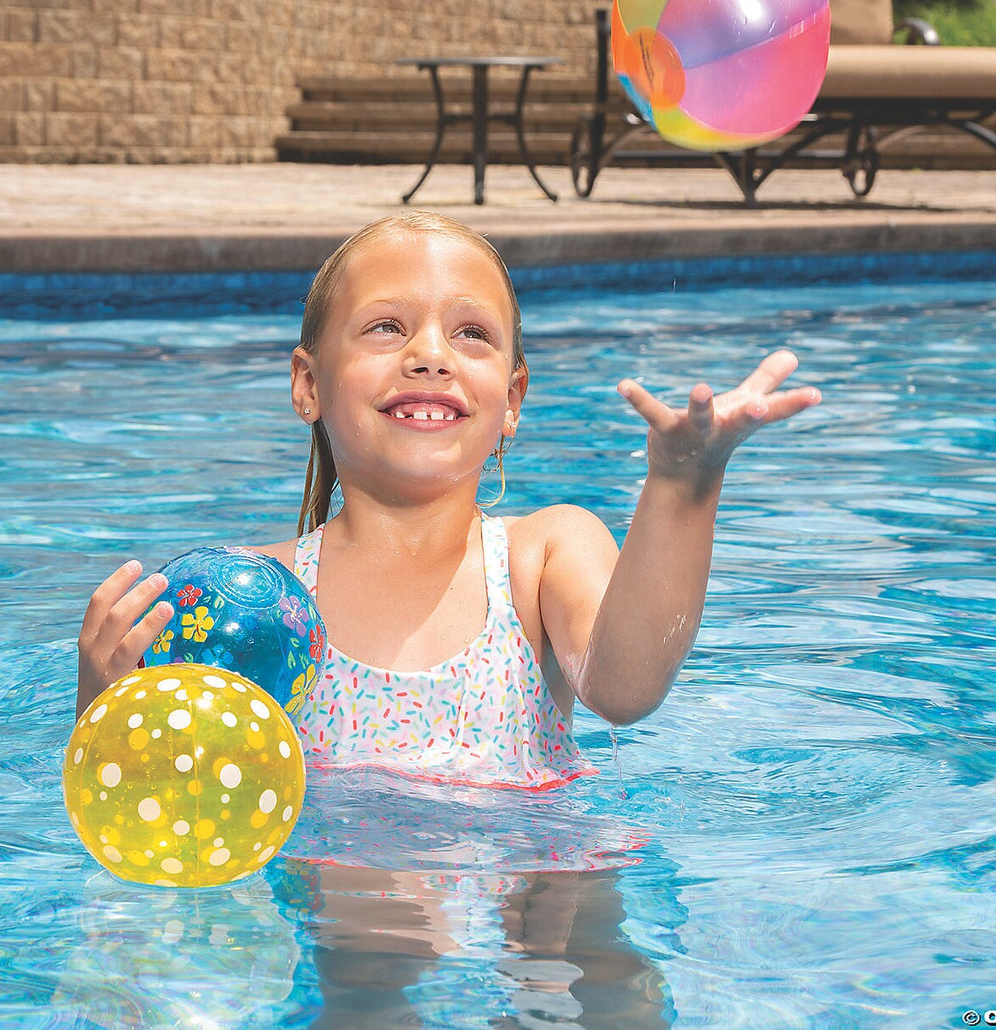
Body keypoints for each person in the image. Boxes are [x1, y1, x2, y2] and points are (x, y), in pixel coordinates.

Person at [76, 210, 820, 789]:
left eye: (471, 334)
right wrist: (103, 707)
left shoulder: (542, 557)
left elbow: (626, 687)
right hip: (344, 934)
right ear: (308, 384)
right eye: (385, 327)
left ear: (513, 399)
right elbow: (176, 805)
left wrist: (683, 488)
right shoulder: (249, 601)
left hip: (533, 918)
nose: (429, 353)